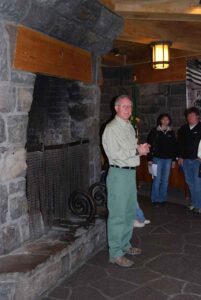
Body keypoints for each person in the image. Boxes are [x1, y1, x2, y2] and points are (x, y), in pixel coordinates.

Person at [102, 95, 150, 267]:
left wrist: (140, 150)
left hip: (129, 174)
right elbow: (115, 155)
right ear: (116, 108)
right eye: (124, 107)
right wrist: (137, 151)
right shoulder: (111, 128)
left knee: (129, 212)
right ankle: (115, 253)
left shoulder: (129, 126)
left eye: (130, 107)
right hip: (118, 175)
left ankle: (125, 245)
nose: (128, 110)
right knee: (117, 215)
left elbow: (129, 150)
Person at [147, 113, 177, 206]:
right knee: (157, 179)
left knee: (165, 180)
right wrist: (149, 159)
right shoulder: (154, 131)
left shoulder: (171, 132)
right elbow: (150, 145)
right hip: (157, 159)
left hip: (168, 160)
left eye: (167, 120)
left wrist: (173, 160)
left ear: (169, 121)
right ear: (160, 120)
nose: (165, 121)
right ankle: (155, 199)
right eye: (163, 119)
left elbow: (174, 147)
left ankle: (162, 198)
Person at [178, 107, 201, 213]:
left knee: (198, 183)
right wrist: (180, 157)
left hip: (198, 161)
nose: (189, 117)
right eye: (188, 116)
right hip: (186, 160)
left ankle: (198, 205)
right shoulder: (183, 129)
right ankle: (194, 203)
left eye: (192, 115)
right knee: (190, 183)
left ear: (197, 116)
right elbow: (180, 144)